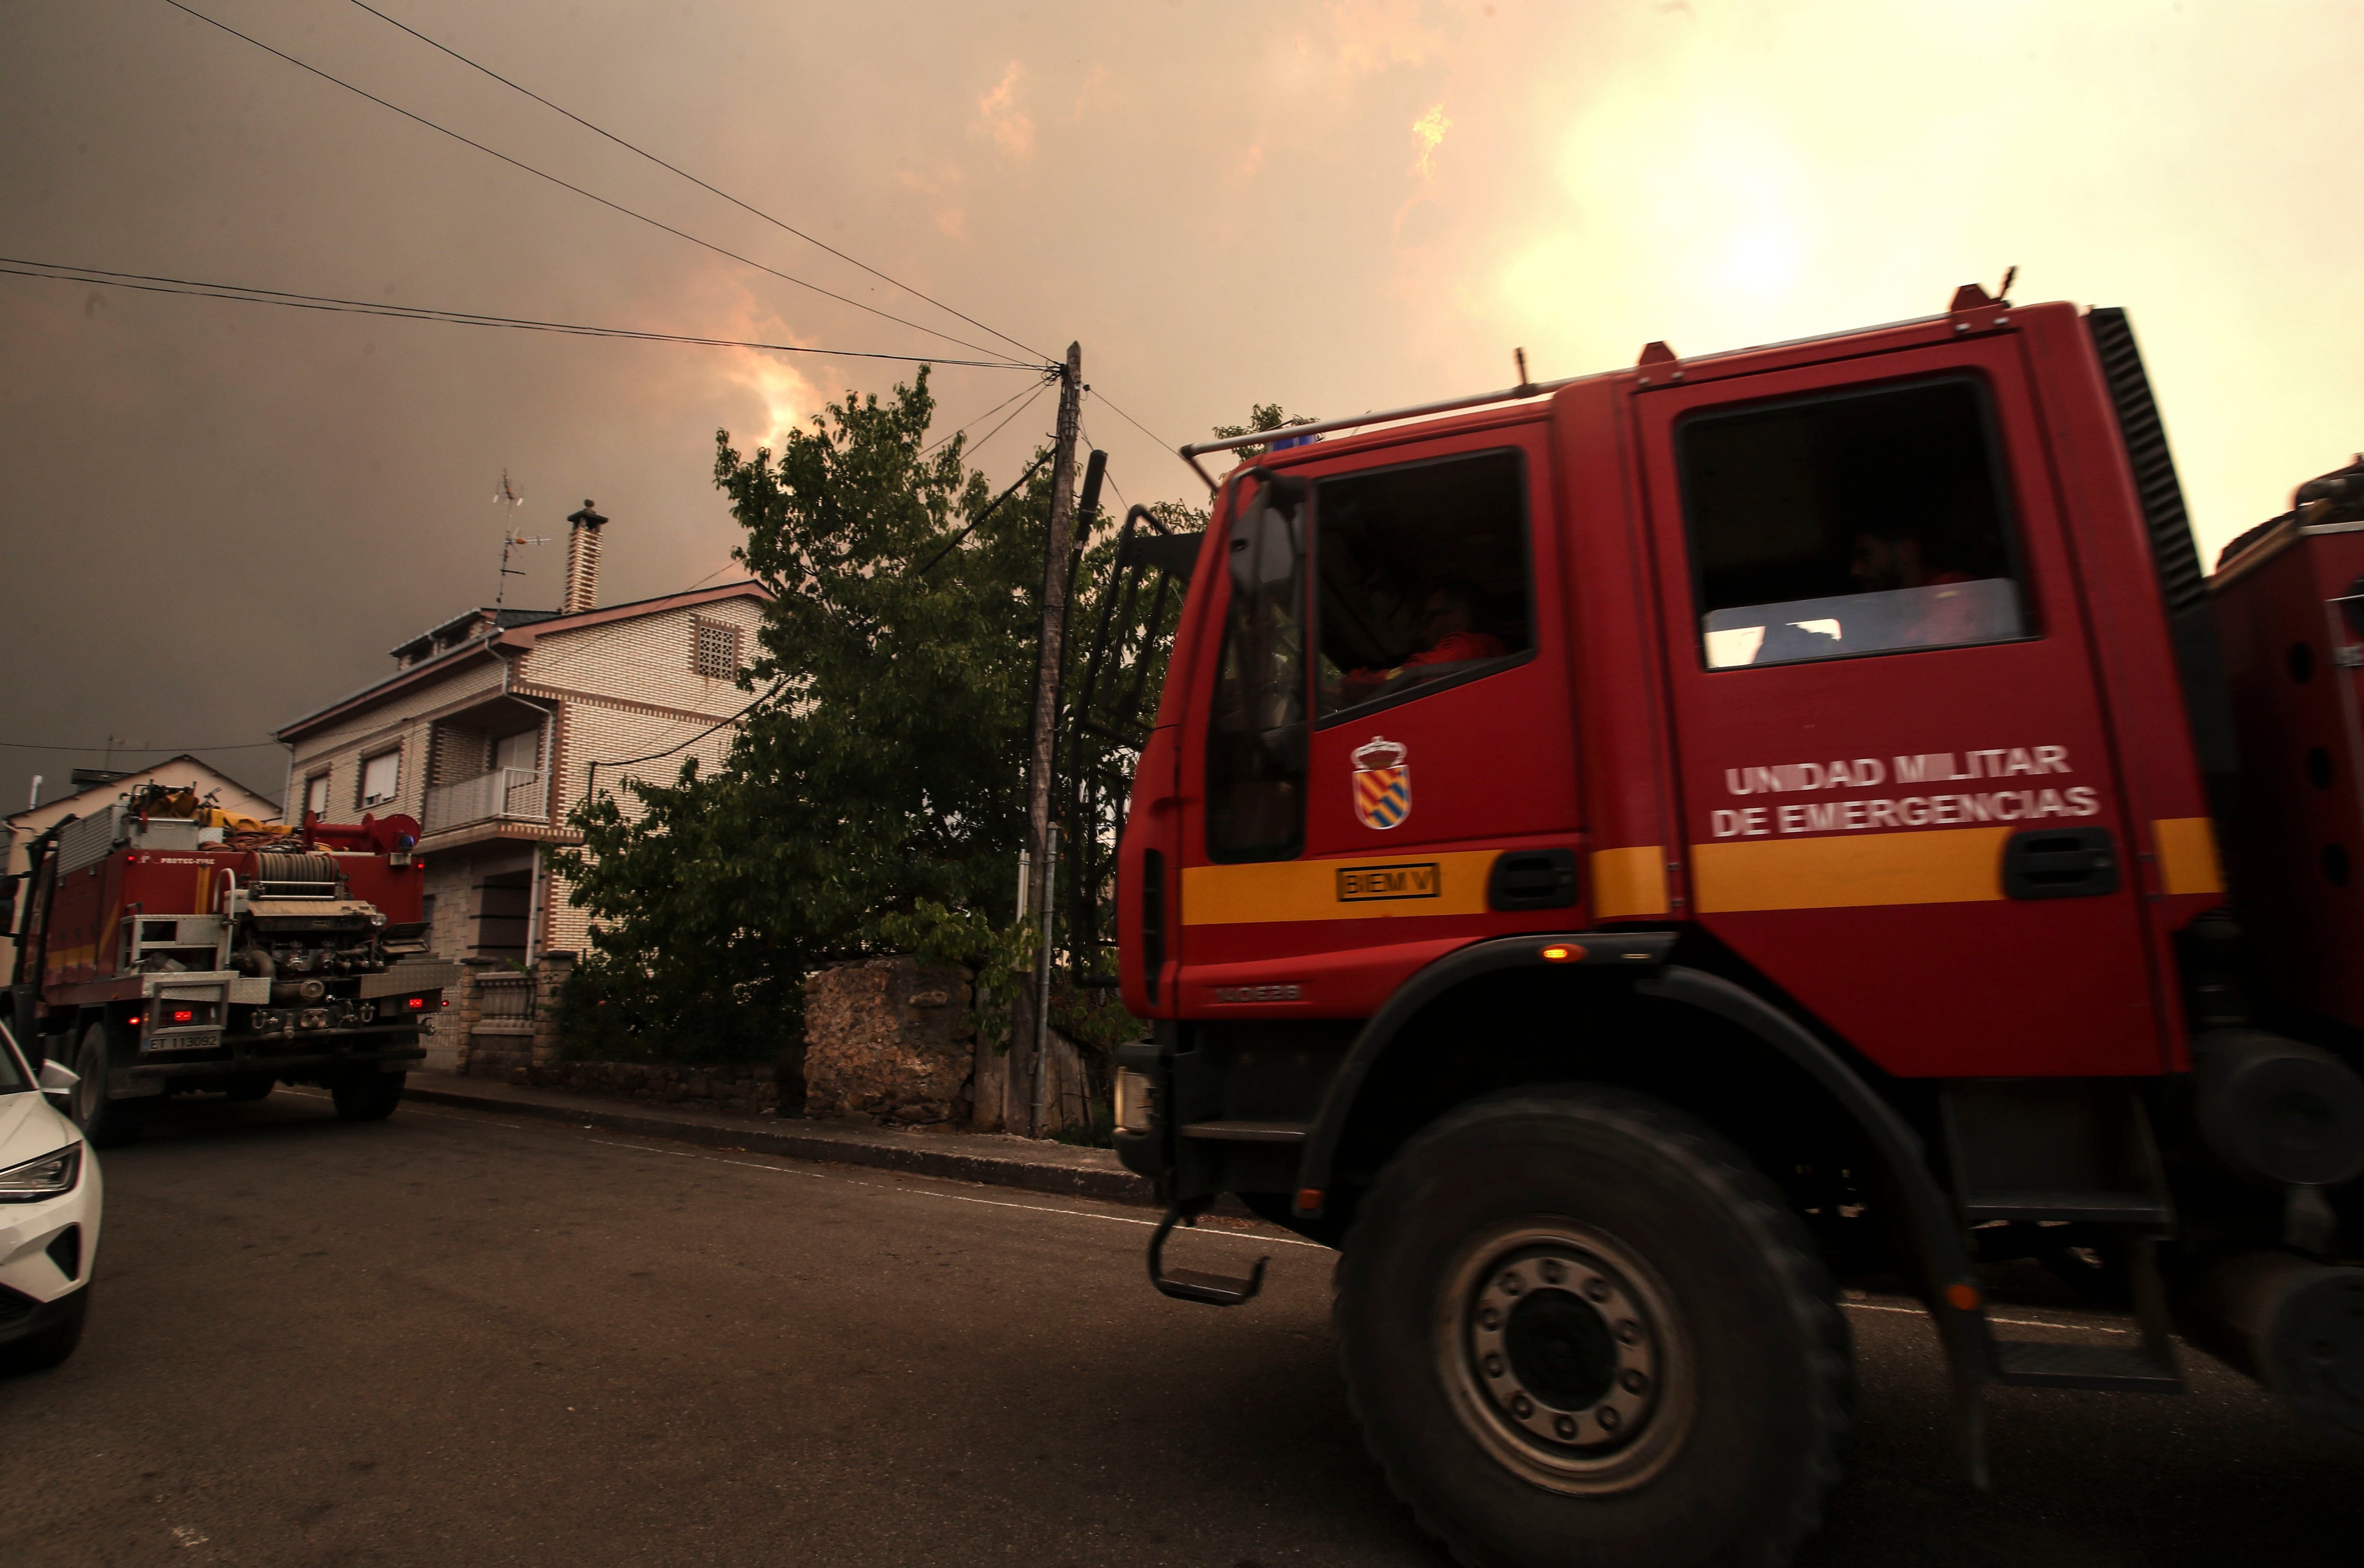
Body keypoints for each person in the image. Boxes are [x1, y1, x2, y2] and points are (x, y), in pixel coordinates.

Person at [1337, 579, 1508, 704]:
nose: (1422, 632)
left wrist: (1353, 685)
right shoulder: (1484, 651)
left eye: (1428, 619)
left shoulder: (1470, 645)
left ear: (1457, 621)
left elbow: (1417, 675)